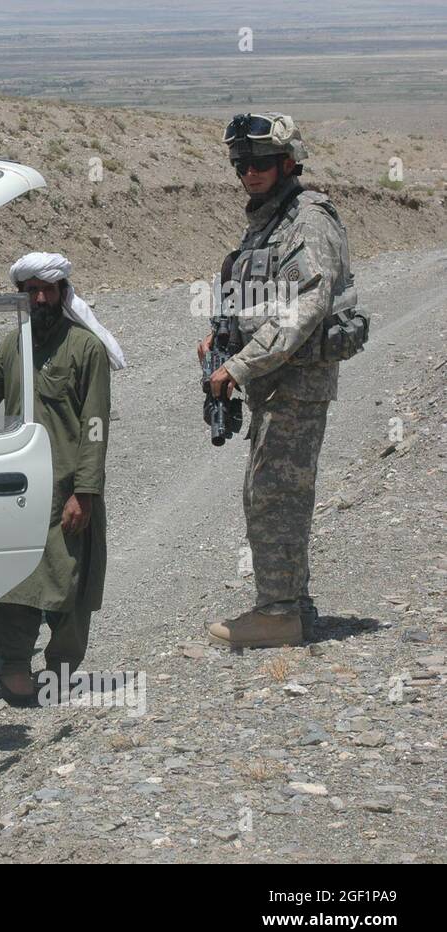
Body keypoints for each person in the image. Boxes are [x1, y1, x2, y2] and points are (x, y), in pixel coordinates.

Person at [201, 113, 364, 648]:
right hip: (274, 382)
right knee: (272, 491)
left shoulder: (307, 219)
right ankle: (293, 604)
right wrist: (221, 341)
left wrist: (239, 366)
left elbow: (305, 307)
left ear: (289, 163)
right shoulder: (269, 221)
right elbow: (256, 297)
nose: (250, 172)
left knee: (274, 495)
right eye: (241, 164)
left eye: (261, 163)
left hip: (295, 382)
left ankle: (276, 614)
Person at [0, 253, 121, 706]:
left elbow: (96, 425)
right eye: (31, 290)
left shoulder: (85, 348)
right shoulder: (14, 346)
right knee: (13, 583)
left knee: (70, 584)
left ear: (61, 292)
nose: (39, 297)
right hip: (17, 492)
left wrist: (85, 492)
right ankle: (15, 672)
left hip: (67, 493)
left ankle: (60, 674)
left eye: (48, 289)